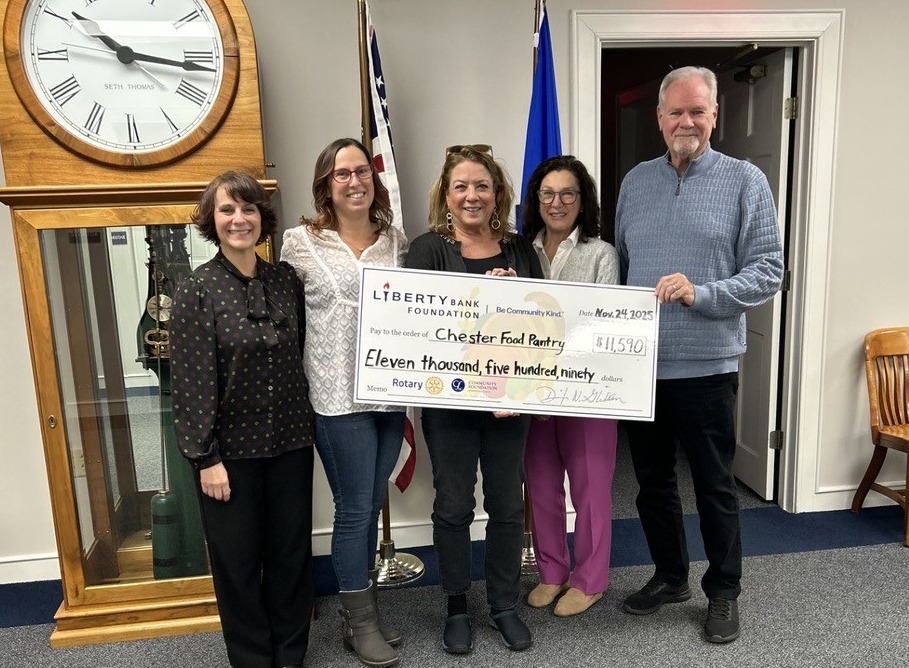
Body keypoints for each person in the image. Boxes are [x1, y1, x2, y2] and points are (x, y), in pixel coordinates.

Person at [615, 66, 784, 644]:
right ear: (659, 119)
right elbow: (621, 266)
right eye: (675, 112)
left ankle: (725, 591)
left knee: (714, 485)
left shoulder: (746, 181)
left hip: (707, 368)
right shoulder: (635, 182)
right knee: (652, 483)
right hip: (640, 367)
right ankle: (670, 576)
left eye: (697, 111)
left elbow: (769, 271)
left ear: (716, 116)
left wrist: (703, 293)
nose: (686, 121)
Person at [171, 170, 315, 668]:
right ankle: (254, 660)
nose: (240, 219)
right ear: (213, 220)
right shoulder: (196, 290)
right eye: (228, 210)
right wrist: (204, 458)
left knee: (290, 558)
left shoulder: (284, 281)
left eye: (249, 208)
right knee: (237, 564)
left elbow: (299, 354)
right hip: (228, 457)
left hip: (292, 443)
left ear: (262, 218)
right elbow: (189, 384)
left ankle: (290, 654)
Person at [405, 144, 543, 655]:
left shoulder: (519, 249)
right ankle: (457, 604)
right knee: (454, 505)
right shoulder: (427, 250)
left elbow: (543, 323)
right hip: (451, 408)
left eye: (482, 185)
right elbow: (418, 328)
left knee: (508, 505)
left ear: (497, 193)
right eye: (461, 186)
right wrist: (477, 300)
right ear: (446, 194)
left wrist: (515, 294)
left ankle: (503, 603)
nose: (471, 195)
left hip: (509, 403)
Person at [281, 138, 407, 668]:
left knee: (372, 500)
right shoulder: (299, 242)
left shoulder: (397, 241)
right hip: (335, 398)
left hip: (390, 393)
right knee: (356, 510)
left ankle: (360, 606)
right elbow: (287, 324)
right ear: (325, 186)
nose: (354, 181)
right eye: (341, 174)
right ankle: (361, 623)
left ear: (373, 180)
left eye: (362, 171)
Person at [519, 155, 619, 617]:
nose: (557, 203)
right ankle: (552, 572)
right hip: (534, 390)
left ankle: (591, 579)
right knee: (540, 485)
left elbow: (607, 325)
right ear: (536, 200)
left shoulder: (601, 254)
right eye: (547, 194)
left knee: (590, 488)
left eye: (568, 194)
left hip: (588, 391)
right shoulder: (521, 252)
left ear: (583, 202)